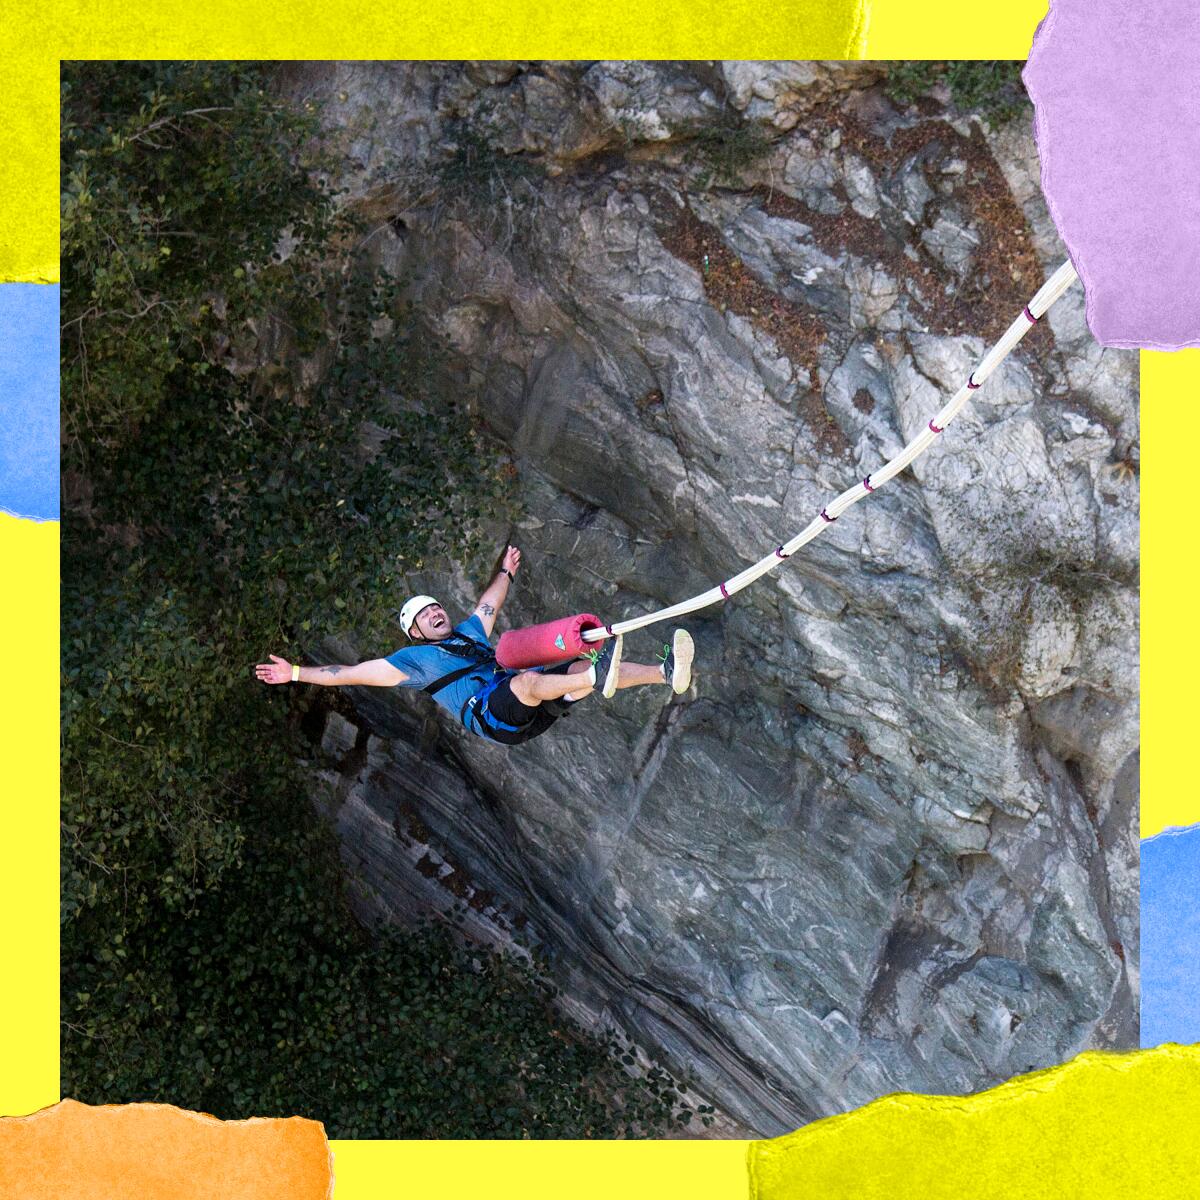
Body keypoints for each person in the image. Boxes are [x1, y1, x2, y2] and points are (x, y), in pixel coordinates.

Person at [254, 544, 695, 746]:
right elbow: (345, 674)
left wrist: (506, 571)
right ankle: (589, 677)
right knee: (527, 681)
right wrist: (294, 673)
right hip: (492, 717)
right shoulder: (411, 661)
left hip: (531, 707)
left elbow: (488, 604)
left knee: (579, 667)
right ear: (415, 633)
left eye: (436, 607)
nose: (435, 613)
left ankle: (665, 673)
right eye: (425, 616)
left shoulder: (468, 633)